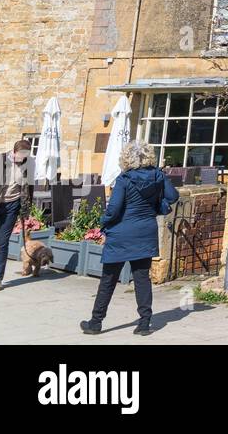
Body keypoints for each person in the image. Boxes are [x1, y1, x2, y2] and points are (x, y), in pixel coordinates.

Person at [80, 141, 178, 336]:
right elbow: (173, 196)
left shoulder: (124, 179)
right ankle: (144, 322)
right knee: (142, 278)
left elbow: (114, 209)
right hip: (145, 231)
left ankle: (96, 322)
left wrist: (103, 222)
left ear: (126, 158)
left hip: (121, 233)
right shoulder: (158, 175)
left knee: (108, 279)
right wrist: (159, 206)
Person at [0, 139, 35, 291]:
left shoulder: (29, 164)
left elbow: (30, 188)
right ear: (13, 151)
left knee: (3, 243)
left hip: (12, 206)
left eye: (25, 156)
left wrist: (26, 209)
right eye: (20, 156)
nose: (22, 159)